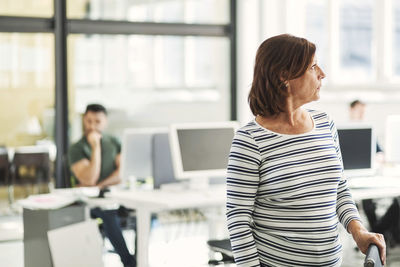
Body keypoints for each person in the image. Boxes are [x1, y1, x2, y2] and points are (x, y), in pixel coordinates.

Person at [226, 34, 386, 266]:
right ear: (284, 76)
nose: (322, 73)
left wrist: (358, 230)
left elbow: (339, 189)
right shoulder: (249, 140)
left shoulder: (324, 123)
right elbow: (238, 221)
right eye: (312, 66)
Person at [68, 104, 136, 267]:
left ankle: (139, 258)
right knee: (108, 215)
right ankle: (129, 262)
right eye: (88, 121)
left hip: (114, 195)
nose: (92, 126)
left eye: (97, 121)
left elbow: (122, 174)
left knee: (144, 213)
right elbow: (90, 179)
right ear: (84, 120)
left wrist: (101, 185)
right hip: (91, 202)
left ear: (105, 122)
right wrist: (95, 146)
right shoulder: (77, 148)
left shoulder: (114, 142)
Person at [349, 99, 400, 247]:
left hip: (372, 175)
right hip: (354, 177)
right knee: (368, 203)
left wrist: (380, 156)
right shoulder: (344, 131)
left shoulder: (369, 131)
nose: (362, 114)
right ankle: (377, 232)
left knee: (396, 200)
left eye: (364, 111)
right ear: (351, 111)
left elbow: (380, 152)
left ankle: (376, 232)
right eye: (359, 110)